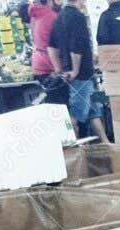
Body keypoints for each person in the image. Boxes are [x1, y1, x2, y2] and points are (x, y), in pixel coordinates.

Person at [49, 0, 104, 140]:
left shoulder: (59, 16)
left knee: (92, 111)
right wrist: (75, 69)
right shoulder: (77, 17)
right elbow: (76, 47)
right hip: (82, 74)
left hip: (71, 72)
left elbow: (51, 46)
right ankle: (74, 149)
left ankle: (106, 144)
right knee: (76, 114)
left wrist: (59, 68)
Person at [27, 0, 59, 76]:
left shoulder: (35, 14)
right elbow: (57, 44)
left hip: (37, 61)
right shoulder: (52, 16)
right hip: (50, 63)